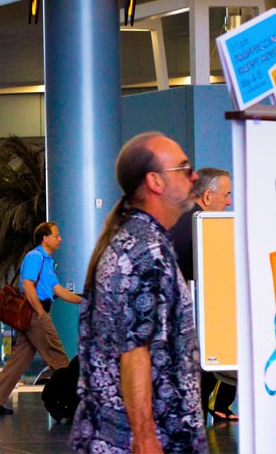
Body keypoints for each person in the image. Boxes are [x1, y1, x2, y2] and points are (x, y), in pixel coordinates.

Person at [71, 132, 207, 454]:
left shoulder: (144, 241)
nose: (195, 176)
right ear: (154, 182)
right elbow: (134, 351)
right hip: (139, 439)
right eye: (184, 169)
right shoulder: (144, 251)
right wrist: (145, 438)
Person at [0, 222, 82, 415]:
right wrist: (40, 312)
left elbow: (58, 290)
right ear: (45, 238)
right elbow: (27, 285)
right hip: (36, 314)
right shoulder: (35, 257)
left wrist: (82, 300)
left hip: (33, 315)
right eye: (56, 235)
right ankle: (71, 402)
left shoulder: (47, 261)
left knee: (19, 359)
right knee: (59, 357)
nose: (59, 239)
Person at [169, 167, 237, 422]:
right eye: (226, 195)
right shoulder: (201, 225)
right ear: (208, 197)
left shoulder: (179, 218)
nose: (229, 201)